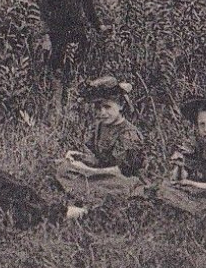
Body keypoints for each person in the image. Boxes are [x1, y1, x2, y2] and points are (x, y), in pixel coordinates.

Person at [55, 76, 147, 205]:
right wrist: (79, 157)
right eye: (98, 107)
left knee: (118, 186)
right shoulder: (101, 126)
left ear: (120, 105)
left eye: (107, 107)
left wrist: (87, 170)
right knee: (60, 165)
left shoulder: (129, 134)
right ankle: (84, 191)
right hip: (102, 173)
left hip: (122, 179)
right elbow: (98, 159)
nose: (102, 112)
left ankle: (88, 198)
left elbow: (121, 171)